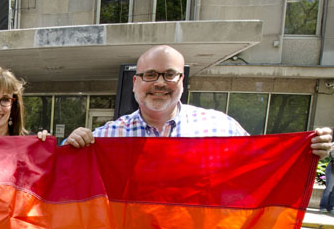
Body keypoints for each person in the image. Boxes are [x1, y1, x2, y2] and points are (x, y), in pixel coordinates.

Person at [65, 45, 333, 159]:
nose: (159, 82)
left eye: (169, 74)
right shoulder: (109, 135)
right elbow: (61, 167)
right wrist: (72, 142)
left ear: (182, 81)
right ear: (136, 83)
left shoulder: (221, 128)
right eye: (150, 75)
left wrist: (306, 151)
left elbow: (261, 163)